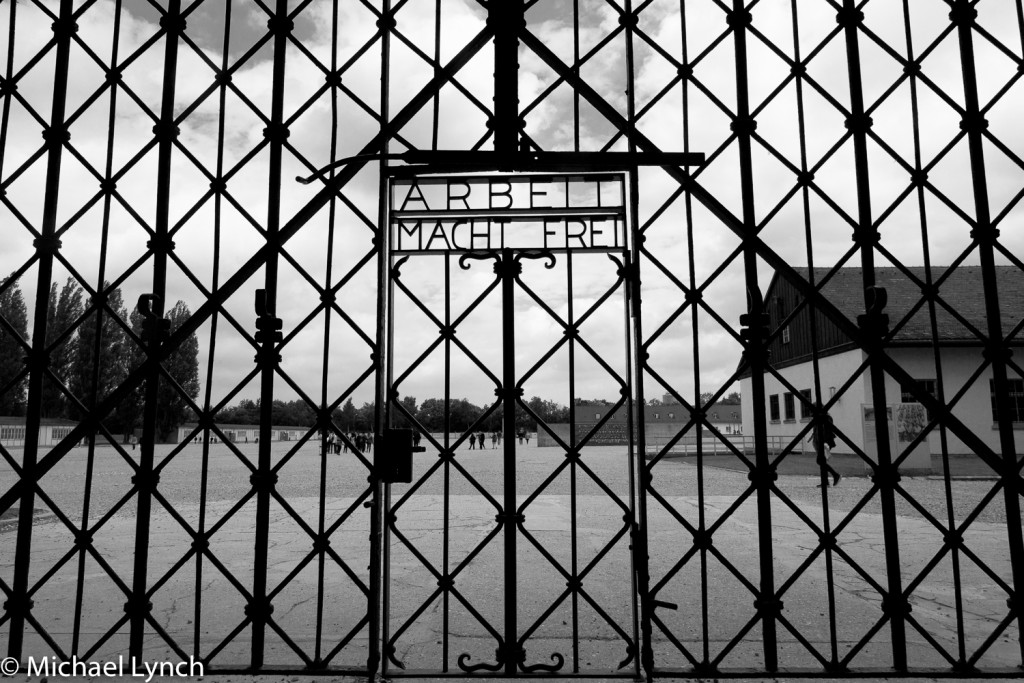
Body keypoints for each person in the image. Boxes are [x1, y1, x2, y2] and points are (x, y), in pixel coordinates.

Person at [811, 410, 841, 487]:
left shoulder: (826, 418)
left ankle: (835, 475)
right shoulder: (820, 417)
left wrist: (824, 442)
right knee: (822, 461)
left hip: (825, 442)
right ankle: (825, 482)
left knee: (820, 461)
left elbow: (826, 431)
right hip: (821, 442)